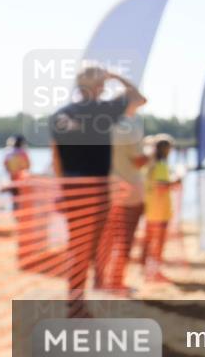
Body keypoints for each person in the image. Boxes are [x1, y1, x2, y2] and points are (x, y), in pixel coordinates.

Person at [50, 67, 146, 315]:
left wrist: (61, 188)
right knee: (89, 247)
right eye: (102, 84)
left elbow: (56, 157)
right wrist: (116, 76)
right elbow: (139, 98)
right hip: (95, 188)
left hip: (71, 187)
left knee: (78, 244)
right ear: (98, 86)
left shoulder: (60, 115)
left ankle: (76, 299)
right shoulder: (104, 110)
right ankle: (76, 303)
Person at [101, 115, 149, 294]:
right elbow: (139, 161)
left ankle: (102, 280)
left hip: (108, 191)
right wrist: (150, 157)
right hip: (128, 193)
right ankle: (115, 282)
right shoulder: (129, 129)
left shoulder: (101, 127)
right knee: (124, 240)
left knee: (107, 239)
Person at [143, 137, 178, 283]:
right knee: (158, 243)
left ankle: (147, 270)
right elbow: (162, 187)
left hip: (151, 208)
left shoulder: (149, 165)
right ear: (167, 150)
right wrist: (177, 181)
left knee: (150, 241)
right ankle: (155, 272)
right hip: (160, 209)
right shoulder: (161, 165)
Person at [2, 135, 31, 210]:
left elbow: (5, 165)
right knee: (21, 199)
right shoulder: (23, 153)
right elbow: (28, 166)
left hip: (12, 179)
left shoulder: (8, 153)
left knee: (14, 199)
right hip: (22, 181)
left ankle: (15, 212)